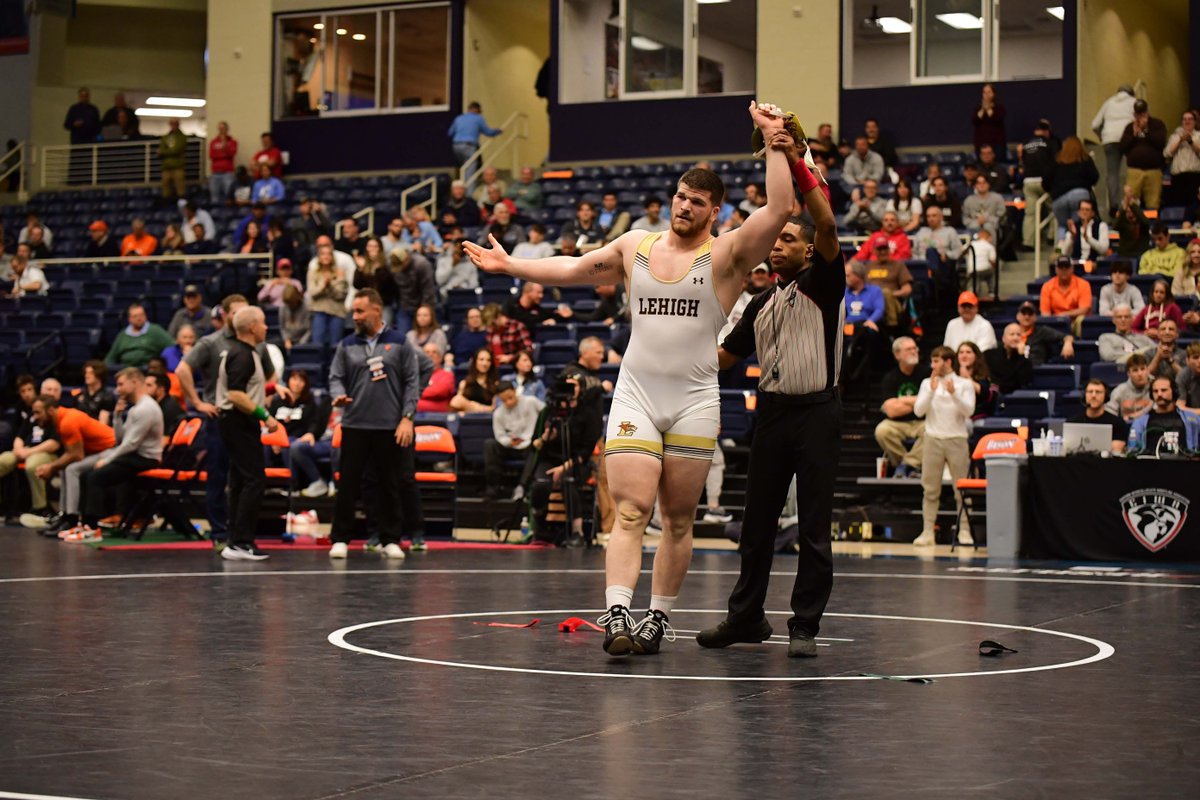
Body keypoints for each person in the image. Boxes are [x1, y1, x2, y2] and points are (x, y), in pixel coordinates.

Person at [465, 101, 794, 657]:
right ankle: (618, 610)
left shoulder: (728, 254)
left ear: (714, 211)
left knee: (679, 519)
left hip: (693, 401)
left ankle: (657, 618)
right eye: (680, 196)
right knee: (631, 510)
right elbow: (575, 268)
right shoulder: (634, 246)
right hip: (637, 396)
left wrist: (774, 138)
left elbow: (781, 207)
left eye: (697, 202)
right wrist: (511, 265)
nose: (684, 206)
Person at [696, 137, 845, 658]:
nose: (776, 246)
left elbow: (827, 225)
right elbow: (723, 358)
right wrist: (668, 350)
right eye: (773, 240)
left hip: (818, 412)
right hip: (774, 414)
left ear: (809, 250)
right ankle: (746, 617)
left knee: (814, 527)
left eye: (787, 239)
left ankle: (804, 625)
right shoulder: (759, 302)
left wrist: (799, 163)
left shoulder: (824, 283)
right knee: (756, 524)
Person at [327, 289, 429, 560]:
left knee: (390, 484)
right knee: (348, 484)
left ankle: (390, 539)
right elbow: (335, 377)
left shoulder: (400, 342)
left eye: (360, 311)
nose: (355, 316)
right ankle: (340, 539)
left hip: (389, 425)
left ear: (376, 310)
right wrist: (338, 394)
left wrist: (407, 417)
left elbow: (412, 381)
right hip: (355, 423)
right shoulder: (347, 344)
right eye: (354, 311)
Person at [176, 294, 277, 546]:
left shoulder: (256, 346)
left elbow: (269, 376)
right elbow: (183, 369)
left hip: (245, 416)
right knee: (221, 475)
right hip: (222, 414)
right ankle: (221, 533)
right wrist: (198, 402)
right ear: (225, 314)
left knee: (241, 478)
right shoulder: (213, 343)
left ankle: (236, 535)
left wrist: (266, 398)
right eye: (236, 312)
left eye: (245, 312)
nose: (240, 316)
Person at [54, 368, 165, 543]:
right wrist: (118, 416)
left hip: (145, 459)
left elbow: (130, 444)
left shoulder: (145, 408)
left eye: (121, 384)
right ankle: (82, 523)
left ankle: (92, 528)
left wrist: (107, 460)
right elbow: (120, 438)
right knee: (86, 474)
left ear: (134, 382)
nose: (118, 389)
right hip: (135, 455)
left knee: (95, 477)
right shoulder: (137, 408)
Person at [214, 307, 276, 561]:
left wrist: (271, 389)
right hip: (239, 421)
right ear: (251, 327)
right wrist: (265, 416)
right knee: (254, 480)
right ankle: (242, 541)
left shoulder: (242, 352)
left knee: (241, 480)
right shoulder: (243, 355)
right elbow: (236, 394)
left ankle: (235, 540)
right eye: (263, 323)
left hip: (236, 421)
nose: (266, 327)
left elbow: (245, 388)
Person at [19, 394, 116, 530]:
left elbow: (77, 455)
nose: (35, 417)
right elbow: (73, 453)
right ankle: (64, 515)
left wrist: (50, 467)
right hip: (98, 451)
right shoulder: (61, 419)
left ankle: (72, 519)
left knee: (72, 469)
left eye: (38, 412)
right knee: (65, 468)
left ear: (50, 410)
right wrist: (54, 467)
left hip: (111, 450)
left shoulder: (67, 421)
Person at [912, 347, 975, 547]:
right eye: (932, 361)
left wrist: (954, 394)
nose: (933, 365)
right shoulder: (926, 383)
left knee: (962, 490)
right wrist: (931, 391)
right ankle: (927, 531)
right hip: (933, 438)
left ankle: (965, 530)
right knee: (930, 489)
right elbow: (918, 411)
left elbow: (969, 411)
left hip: (957, 439)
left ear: (948, 362)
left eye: (937, 361)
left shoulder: (964, 384)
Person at [0, 377, 60, 523]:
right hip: (26, 449)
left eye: (55, 390)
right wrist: (18, 449)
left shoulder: (58, 415)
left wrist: (28, 452)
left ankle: (40, 508)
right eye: (48, 389)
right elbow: (20, 435)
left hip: (46, 453)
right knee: (3, 460)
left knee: (33, 464)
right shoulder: (33, 413)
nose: (35, 416)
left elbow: (54, 443)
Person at [873, 337, 930, 479]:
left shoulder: (927, 374)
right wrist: (919, 401)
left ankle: (905, 466)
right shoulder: (890, 378)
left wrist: (902, 400)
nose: (914, 351)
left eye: (915, 348)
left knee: (933, 431)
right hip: (898, 423)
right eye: (909, 349)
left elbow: (932, 402)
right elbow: (891, 411)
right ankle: (909, 465)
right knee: (882, 431)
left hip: (923, 421)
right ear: (897, 355)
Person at [484, 380, 544, 498]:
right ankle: (493, 487)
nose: (508, 402)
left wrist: (542, 432)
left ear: (515, 391)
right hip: (511, 446)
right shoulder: (498, 413)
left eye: (510, 397)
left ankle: (523, 486)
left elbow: (547, 412)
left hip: (530, 444)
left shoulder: (531, 401)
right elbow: (500, 435)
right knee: (489, 444)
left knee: (536, 447)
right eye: (504, 400)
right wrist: (509, 442)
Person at [1091, 85, 1137, 215]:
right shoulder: (1133, 102)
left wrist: (1101, 136)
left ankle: (1114, 204)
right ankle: (1131, 202)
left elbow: (1094, 124)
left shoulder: (1108, 103)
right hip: (1128, 138)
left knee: (1112, 173)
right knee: (1132, 170)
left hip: (1109, 139)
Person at [1127, 376, 1200, 453]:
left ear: (1174, 392)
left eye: (1164, 390)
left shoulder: (1192, 419)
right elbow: (1132, 452)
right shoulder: (1140, 423)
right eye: (1155, 391)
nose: (1159, 394)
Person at [1120, 99, 1168, 210]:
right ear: (1134, 114)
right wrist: (1133, 135)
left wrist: (1146, 131)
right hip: (1134, 170)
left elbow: (1161, 143)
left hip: (1154, 170)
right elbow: (1122, 147)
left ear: (1147, 112)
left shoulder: (1157, 125)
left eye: (1143, 113)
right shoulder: (1130, 127)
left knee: (1153, 202)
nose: (1141, 116)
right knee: (1131, 202)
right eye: (1138, 114)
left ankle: (1152, 220)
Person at [1049, 136, 1100, 239]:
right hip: (1080, 194)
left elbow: (1047, 179)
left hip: (1059, 197)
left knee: (1062, 226)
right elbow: (1095, 176)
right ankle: (1077, 248)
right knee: (1078, 226)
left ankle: (1061, 248)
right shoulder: (1085, 159)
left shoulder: (1057, 160)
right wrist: (1086, 184)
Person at [1020, 119, 1059, 247]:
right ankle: (1052, 237)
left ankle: (1028, 242)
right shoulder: (1050, 143)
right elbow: (1056, 161)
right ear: (1047, 131)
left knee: (1030, 213)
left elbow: (1023, 162)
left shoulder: (1026, 144)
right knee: (1054, 209)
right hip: (1044, 181)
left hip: (1028, 181)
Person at [106, 303, 174, 369]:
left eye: (141, 315)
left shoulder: (155, 330)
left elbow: (172, 346)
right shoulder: (122, 335)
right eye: (135, 316)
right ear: (129, 319)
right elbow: (111, 357)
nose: (139, 318)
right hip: (126, 369)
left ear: (146, 316)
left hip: (147, 369)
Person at [306, 243, 350, 347]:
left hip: (337, 312)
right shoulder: (313, 273)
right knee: (317, 344)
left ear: (332, 256)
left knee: (335, 345)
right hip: (319, 311)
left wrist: (330, 286)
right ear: (318, 257)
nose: (326, 256)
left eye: (329, 254)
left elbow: (340, 295)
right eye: (323, 254)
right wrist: (323, 286)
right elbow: (312, 293)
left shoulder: (340, 273)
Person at [1067, 379, 1129, 452]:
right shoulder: (1072, 422)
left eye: (1098, 392)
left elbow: (1117, 449)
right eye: (1090, 392)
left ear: (1105, 396)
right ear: (1084, 396)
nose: (1093, 395)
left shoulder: (1117, 423)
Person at [388, 245, 438, 334]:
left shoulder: (421, 264)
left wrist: (424, 311)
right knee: (402, 336)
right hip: (404, 306)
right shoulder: (392, 264)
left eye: (401, 265)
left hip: (421, 306)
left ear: (406, 259)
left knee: (424, 335)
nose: (399, 269)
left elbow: (428, 290)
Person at [1040, 255, 1093, 331]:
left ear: (1072, 268)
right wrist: (1057, 320)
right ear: (1056, 269)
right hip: (1055, 323)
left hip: (1075, 322)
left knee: (1081, 319)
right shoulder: (1047, 286)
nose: (1064, 270)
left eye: (1067, 267)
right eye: (1061, 267)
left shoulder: (1083, 284)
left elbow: (1084, 310)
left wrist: (1063, 315)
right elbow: (1045, 313)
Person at [1015, 300, 1074, 365]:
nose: (1027, 317)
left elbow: (1067, 336)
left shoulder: (1042, 331)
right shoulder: (1012, 332)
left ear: (1035, 317)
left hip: (1037, 368)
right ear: (1017, 316)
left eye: (1030, 313)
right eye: (1024, 313)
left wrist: (1068, 343)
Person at [448, 101, 501, 168]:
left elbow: (450, 133)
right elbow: (488, 132)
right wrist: (498, 131)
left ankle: (465, 174)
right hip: (469, 145)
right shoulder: (478, 118)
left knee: (464, 166)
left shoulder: (459, 118)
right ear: (478, 110)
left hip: (456, 146)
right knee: (471, 166)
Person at [985, 323, 1034, 394]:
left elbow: (1024, 381)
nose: (1015, 338)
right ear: (1003, 338)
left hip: (1015, 396)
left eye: (1018, 335)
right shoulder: (989, 355)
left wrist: (1021, 356)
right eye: (1012, 334)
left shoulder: (1024, 360)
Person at [1165, 110, 1200, 208]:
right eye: (1184, 119)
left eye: (1190, 119)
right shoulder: (1175, 137)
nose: (1187, 121)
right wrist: (1180, 140)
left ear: (1194, 122)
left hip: (1194, 176)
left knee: (1194, 206)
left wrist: (1190, 141)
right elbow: (1167, 153)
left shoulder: (1198, 136)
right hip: (1178, 178)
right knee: (1178, 206)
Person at [1105, 352, 1153, 421]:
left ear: (1147, 370)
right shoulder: (1119, 391)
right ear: (1129, 374)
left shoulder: (1156, 388)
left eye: (1142, 369)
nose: (1140, 374)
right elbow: (1110, 414)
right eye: (1135, 370)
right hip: (1124, 426)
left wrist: (1131, 417)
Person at [450, 347, 498, 413]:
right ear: (475, 361)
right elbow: (456, 403)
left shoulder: (496, 384)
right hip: (467, 418)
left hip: (486, 417)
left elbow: (494, 408)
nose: (485, 363)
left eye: (488, 360)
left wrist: (474, 406)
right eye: (481, 359)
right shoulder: (464, 383)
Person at [74, 360, 116, 426]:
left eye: (91, 373)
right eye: (86, 373)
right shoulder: (79, 395)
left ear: (99, 375)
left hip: (96, 429)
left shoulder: (107, 397)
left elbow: (103, 424)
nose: (86, 376)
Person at [417, 342, 456, 413]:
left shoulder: (447, 375)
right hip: (414, 415)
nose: (430, 355)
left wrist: (415, 391)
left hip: (439, 417)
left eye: (434, 352)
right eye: (427, 352)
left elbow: (440, 391)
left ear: (440, 358)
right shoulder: (416, 375)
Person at [145, 370, 184, 435]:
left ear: (161, 389)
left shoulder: (170, 409)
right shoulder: (155, 406)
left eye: (149, 385)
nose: (144, 389)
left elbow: (166, 438)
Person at [208, 121, 238, 205]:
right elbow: (211, 155)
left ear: (227, 129)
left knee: (228, 195)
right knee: (214, 196)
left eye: (223, 128)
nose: (221, 130)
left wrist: (225, 148)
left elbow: (232, 154)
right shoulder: (213, 142)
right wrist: (223, 154)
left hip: (227, 172)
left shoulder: (232, 142)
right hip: (215, 173)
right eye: (220, 128)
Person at [159, 119, 188, 203]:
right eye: (171, 123)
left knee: (180, 187)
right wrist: (165, 152)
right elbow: (161, 148)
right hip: (166, 166)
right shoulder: (165, 137)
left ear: (178, 124)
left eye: (175, 123)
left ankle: (181, 203)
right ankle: (166, 204)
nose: (173, 125)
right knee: (165, 186)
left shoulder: (182, 137)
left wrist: (164, 152)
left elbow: (177, 150)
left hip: (178, 166)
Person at [972, 83, 1005, 154]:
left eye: (989, 92)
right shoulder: (977, 109)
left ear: (994, 94)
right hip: (981, 145)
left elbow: (996, 119)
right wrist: (983, 109)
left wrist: (988, 109)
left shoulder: (999, 108)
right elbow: (975, 120)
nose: (986, 94)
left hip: (997, 145)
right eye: (984, 92)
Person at [280, 285, 311, 351]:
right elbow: (282, 327)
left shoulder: (306, 307)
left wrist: (301, 343)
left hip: (303, 341)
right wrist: (286, 340)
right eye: (288, 304)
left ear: (297, 299)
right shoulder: (283, 307)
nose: (290, 306)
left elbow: (309, 330)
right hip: (288, 340)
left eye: (291, 303)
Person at [1176, 342, 1200, 410]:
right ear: (1187, 360)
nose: (1199, 361)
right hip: (1190, 416)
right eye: (1195, 357)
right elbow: (1180, 407)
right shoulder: (1182, 376)